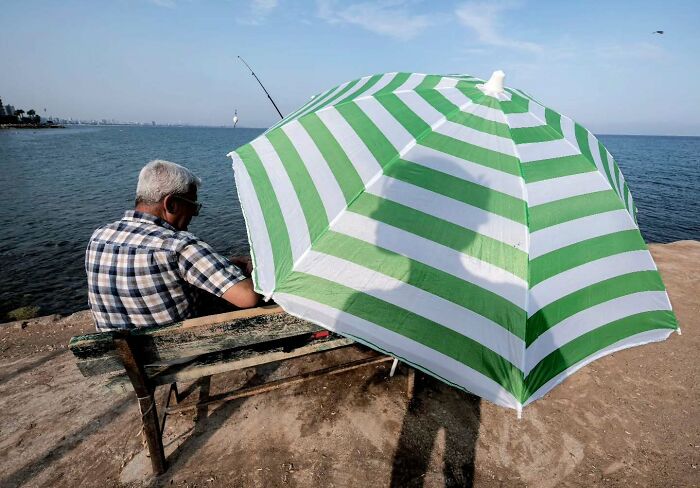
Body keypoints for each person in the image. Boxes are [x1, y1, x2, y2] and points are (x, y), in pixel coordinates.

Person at [86, 159, 260, 331]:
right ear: (171, 204)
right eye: (193, 206)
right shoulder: (179, 245)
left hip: (122, 354)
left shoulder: (99, 236)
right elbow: (248, 297)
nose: (194, 214)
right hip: (180, 355)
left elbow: (150, 271)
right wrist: (254, 269)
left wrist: (224, 264)